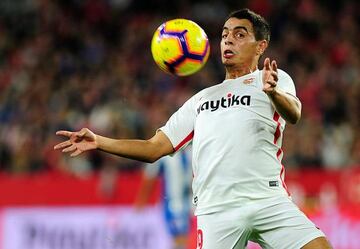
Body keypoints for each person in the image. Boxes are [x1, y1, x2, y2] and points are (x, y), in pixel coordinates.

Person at [55, 8, 332, 249]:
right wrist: (99, 141)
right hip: (216, 210)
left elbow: (293, 114)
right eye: (224, 34)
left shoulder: (272, 79)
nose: (227, 40)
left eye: (239, 34)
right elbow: (154, 148)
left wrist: (272, 92)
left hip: (268, 199)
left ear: (260, 46)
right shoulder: (200, 100)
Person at [135, 148, 193, 249]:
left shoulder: (191, 150)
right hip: (173, 204)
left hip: (191, 203)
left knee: (188, 239)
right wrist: (142, 200)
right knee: (179, 239)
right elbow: (150, 176)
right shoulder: (165, 153)